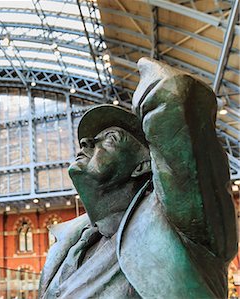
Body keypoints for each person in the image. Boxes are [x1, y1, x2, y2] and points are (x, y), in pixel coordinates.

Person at [39, 58, 237, 298]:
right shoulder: (69, 243)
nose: (85, 142)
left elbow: (174, 96)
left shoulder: (176, 225)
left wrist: (147, 71)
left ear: (143, 165)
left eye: (110, 138)